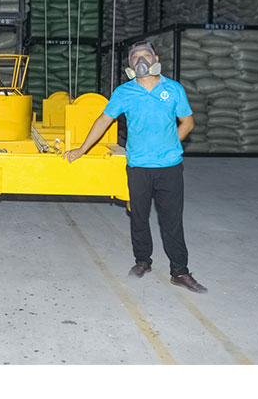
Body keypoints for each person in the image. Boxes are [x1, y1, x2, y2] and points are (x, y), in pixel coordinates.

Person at [64, 40, 207, 293]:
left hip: (170, 167)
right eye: (135, 57)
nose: (140, 60)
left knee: (172, 221)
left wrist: (171, 144)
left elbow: (187, 122)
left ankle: (180, 271)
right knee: (139, 217)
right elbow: (103, 121)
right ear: (130, 64)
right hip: (138, 166)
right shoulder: (123, 92)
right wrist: (81, 149)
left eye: (145, 55)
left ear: (155, 59)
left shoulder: (173, 89)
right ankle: (143, 261)